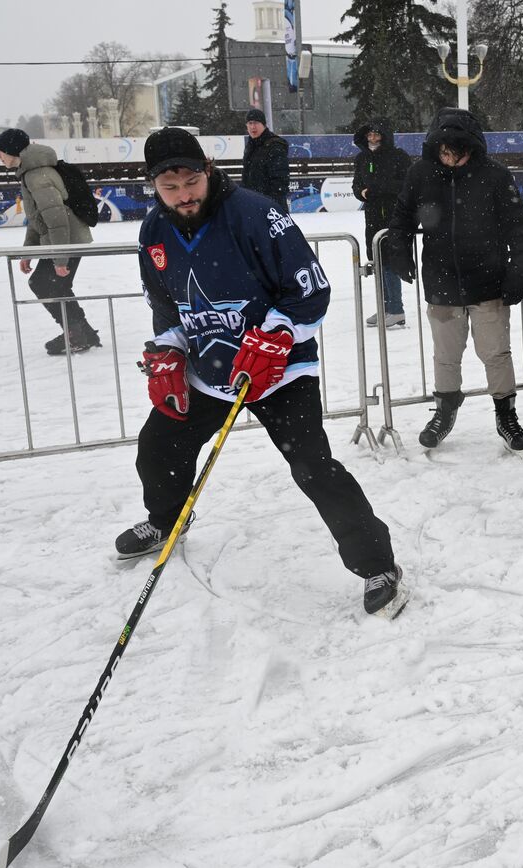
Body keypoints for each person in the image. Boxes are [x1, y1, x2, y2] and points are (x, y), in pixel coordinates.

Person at [121, 127, 406, 618]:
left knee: (314, 468)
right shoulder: (154, 232)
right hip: (209, 368)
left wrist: (277, 333)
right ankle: (168, 520)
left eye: (191, 181)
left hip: (280, 371)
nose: (183, 196)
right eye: (170, 188)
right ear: (154, 187)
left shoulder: (256, 214)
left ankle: (377, 564)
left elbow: (311, 291)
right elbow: (165, 304)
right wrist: (167, 348)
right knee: (158, 445)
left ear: (207, 169)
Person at [385, 108, 523, 452]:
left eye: (458, 153)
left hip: (488, 282)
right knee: (445, 355)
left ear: (471, 149)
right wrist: (399, 251)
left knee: (496, 352)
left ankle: (506, 414)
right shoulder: (420, 173)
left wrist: (519, 272)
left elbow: (519, 228)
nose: (451, 160)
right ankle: (445, 409)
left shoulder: (495, 175)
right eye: (445, 153)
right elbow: (402, 217)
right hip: (441, 283)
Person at [0, 128, 101, 356]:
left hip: (68, 239)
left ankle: (77, 334)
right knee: (53, 285)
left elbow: (57, 219)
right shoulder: (31, 172)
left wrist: (60, 258)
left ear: (13, 152)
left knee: (44, 284)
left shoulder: (37, 175)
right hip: (67, 240)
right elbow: (37, 219)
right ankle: (83, 332)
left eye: (0, 151)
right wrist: (28, 252)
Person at [353, 118, 412, 328]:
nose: (372, 138)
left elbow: (406, 184)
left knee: (390, 262)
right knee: (377, 261)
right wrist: (362, 192)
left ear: (385, 136)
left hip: (393, 217)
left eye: (376, 134)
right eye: (369, 135)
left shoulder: (399, 157)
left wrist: (378, 188)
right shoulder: (361, 158)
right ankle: (386, 306)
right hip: (372, 217)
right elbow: (357, 185)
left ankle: (396, 309)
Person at [241, 108, 290, 212]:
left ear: (264, 125)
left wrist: (269, 202)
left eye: (256, 123)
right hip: (252, 203)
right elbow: (246, 176)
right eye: (250, 123)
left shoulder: (275, 145)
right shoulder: (250, 145)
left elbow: (280, 180)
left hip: (271, 206)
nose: (253, 127)